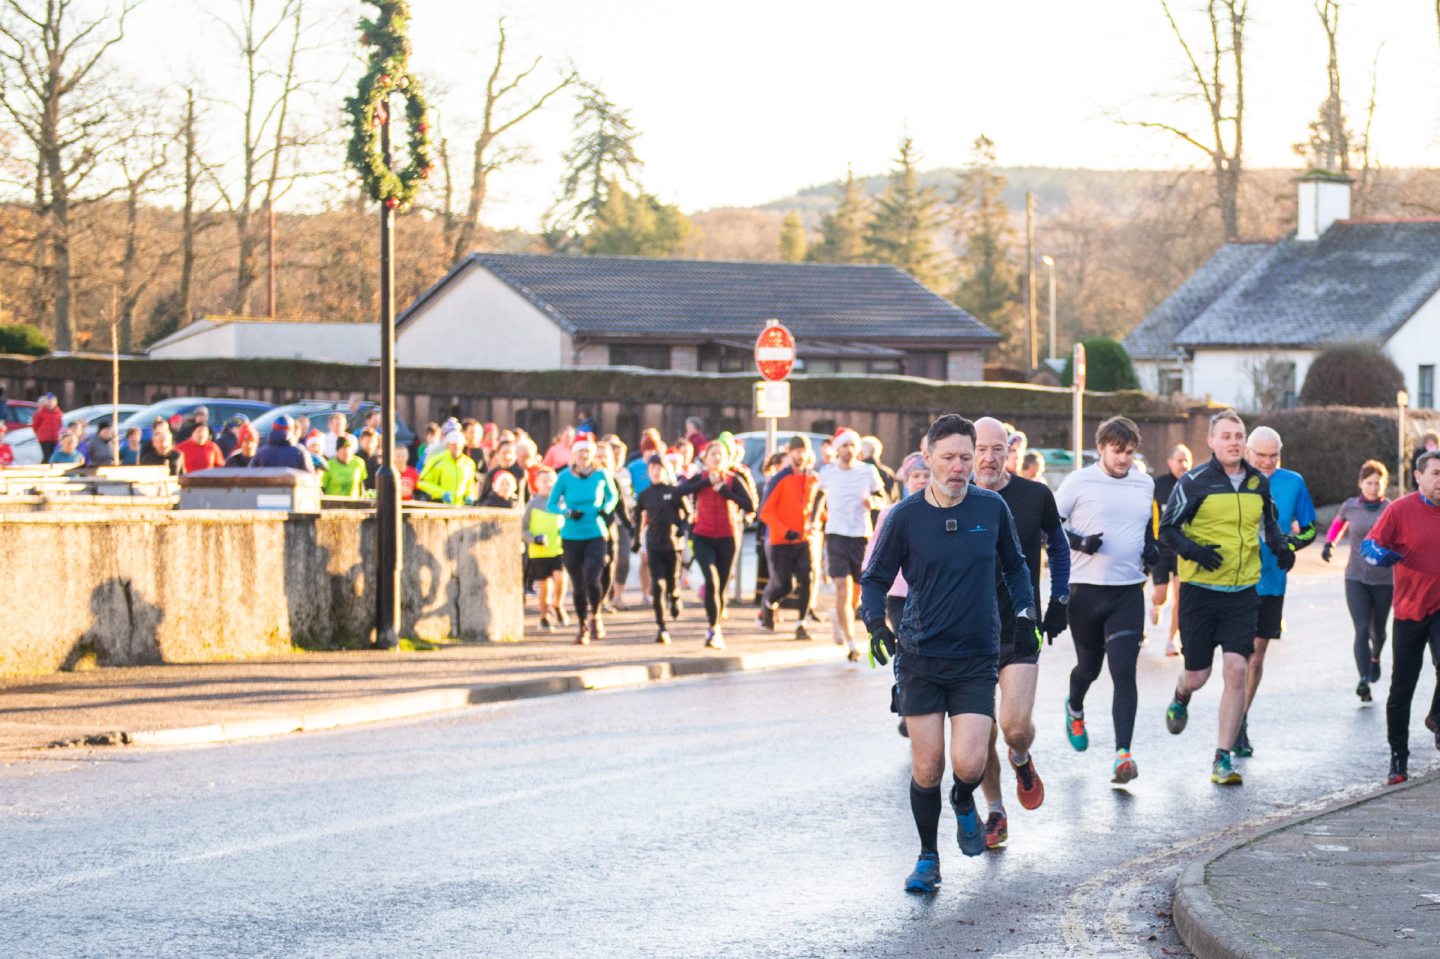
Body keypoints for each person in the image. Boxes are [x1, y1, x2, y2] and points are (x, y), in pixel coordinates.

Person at [860, 414, 1037, 895]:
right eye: (948, 458)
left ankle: (963, 800)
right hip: (920, 656)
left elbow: (1017, 567)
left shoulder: (991, 508)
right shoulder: (905, 516)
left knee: (970, 764)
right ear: (929, 457)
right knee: (927, 766)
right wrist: (875, 624)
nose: (958, 467)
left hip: (976, 657)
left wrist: (1026, 615)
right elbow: (874, 579)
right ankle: (927, 858)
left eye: (965, 457)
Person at [1159, 410, 1294, 786]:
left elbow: (1268, 524)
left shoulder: (1257, 483)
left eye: (1239, 436)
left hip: (1243, 592)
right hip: (1200, 593)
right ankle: (1181, 694)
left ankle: (1222, 757)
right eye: (1226, 436)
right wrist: (1195, 552)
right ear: (1212, 442)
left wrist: (1282, 548)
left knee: (1237, 669)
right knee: (1198, 675)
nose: (1233, 442)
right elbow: (1168, 529)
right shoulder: (1194, 482)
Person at [970, 417, 1070, 848]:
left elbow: (1059, 546)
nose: (989, 458)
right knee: (980, 737)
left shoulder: (1034, 495)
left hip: (1020, 627)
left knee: (1012, 728)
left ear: (1010, 451)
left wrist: (1060, 598)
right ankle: (995, 811)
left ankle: (1022, 757)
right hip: (967, 634)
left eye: (998, 449)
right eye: (980, 449)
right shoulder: (953, 498)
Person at [1054, 416, 1157, 786]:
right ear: (1100, 448)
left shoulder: (1144, 483)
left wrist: (1153, 549)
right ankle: (1074, 707)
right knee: (1089, 668)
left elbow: (1146, 528)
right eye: (1117, 451)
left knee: (1124, 671)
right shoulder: (1078, 481)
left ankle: (1123, 755)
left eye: (1129, 452)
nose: (1124, 459)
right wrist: (1080, 543)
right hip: (1085, 590)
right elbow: (1049, 526)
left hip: (1128, 590)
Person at [1235, 426, 1317, 757]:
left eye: (1274, 456)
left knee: (1256, 656)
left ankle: (1240, 720)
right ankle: (1231, 714)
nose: (1268, 462)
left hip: (1271, 581)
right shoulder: (1232, 479)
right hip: (1234, 580)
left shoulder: (1293, 482)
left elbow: (1310, 528)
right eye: (1262, 455)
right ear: (1248, 452)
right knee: (1235, 657)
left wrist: (1289, 544)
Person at [1362, 450, 1440, 786]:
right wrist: (1381, 555)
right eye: (1436, 473)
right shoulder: (1400, 510)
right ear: (1419, 477)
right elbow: (1369, 545)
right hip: (1410, 611)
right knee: (1402, 688)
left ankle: (1437, 717)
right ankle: (1398, 758)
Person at [862, 452, 930, 737]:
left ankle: (924, 702)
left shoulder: (940, 512)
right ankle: (906, 705)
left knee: (926, 650)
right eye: (916, 476)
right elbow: (874, 552)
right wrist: (868, 595)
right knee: (906, 647)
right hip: (899, 593)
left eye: (926, 476)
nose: (921, 481)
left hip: (930, 595)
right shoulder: (891, 513)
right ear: (906, 480)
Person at [1323, 460, 1393, 702]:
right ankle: (1363, 679)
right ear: (1360, 483)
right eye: (1369, 483)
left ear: (1384, 485)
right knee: (1362, 628)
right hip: (1356, 577)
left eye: (1378, 483)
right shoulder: (1350, 506)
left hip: (1384, 580)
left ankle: (1375, 657)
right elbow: (1337, 525)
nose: (1373, 488)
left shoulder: (1391, 509)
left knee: (1378, 631)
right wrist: (1329, 544)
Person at [814, 428, 887, 661]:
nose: (849, 450)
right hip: (836, 534)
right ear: (838, 449)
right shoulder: (828, 472)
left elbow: (883, 498)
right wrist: (813, 521)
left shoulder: (867, 471)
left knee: (857, 592)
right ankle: (852, 643)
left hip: (861, 535)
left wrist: (872, 502)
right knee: (842, 588)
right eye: (844, 445)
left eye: (852, 445)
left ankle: (838, 616)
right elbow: (818, 497)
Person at [676, 438, 755, 649]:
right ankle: (713, 628)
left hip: (728, 537)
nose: (717, 457)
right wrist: (705, 484)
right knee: (711, 580)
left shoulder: (733, 480)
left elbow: (750, 505)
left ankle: (717, 624)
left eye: (721, 454)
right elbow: (678, 492)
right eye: (713, 454)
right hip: (703, 536)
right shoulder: (699, 478)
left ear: (727, 459)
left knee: (721, 585)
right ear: (706, 459)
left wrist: (724, 492)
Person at [548, 433, 618, 644]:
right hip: (571, 535)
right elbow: (551, 504)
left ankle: (596, 615)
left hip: (596, 532)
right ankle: (582, 626)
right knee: (578, 585)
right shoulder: (564, 477)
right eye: (580, 451)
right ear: (574, 454)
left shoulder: (601, 474)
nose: (584, 455)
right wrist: (567, 512)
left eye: (587, 451)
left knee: (592, 577)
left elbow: (613, 496)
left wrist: (605, 508)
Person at [759, 436, 820, 640]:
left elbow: (815, 506)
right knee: (786, 584)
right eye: (797, 451)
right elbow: (765, 512)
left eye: (804, 451)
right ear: (790, 453)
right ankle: (769, 603)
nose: (800, 455)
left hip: (804, 540)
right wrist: (785, 531)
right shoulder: (780, 479)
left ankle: (801, 624)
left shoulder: (813, 478)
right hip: (781, 541)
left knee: (807, 578)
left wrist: (818, 520)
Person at [633, 455, 690, 643]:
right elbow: (638, 517)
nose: (656, 472)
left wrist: (682, 528)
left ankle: (675, 597)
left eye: (659, 468)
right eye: (652, 468)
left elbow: (688, 514)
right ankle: (661, 627)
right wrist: (636, 539)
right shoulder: (645, 495)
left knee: (672, 582)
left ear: (667, 471)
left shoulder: (675, 492)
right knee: (657, 586)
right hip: (654, 544)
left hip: (673, 545)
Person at [1150, 444, 1193, 655]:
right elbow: (1149, 517)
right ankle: (1156, 605)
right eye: (1179, 460)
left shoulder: (1193, 484)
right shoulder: (1158, 485)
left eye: (1187, 460)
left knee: (1180, 596)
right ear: (1170, 462)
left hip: (1183, 550)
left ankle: (1172, 639)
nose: (1183, 465)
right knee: (1161, 596)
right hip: (1161, 548)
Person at [523, 467, 570, 630]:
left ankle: (558, 605)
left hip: (558, 549)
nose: (548, 484)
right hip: (539, 552)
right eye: (544, 481)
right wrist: (534, 539)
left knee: (560, 578)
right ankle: (544, 617)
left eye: (551, 481)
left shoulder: (562, 503)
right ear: (536, 483)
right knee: (544, 587)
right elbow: (523, 530)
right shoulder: (531, 505)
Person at [416, 428, 477, 504]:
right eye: (453, 444)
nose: (456, 447)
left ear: (463, 445)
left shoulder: (468, 463)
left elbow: (470, 485)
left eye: (458, 444)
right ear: (448, 445)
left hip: (460, 508)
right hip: (439, 506)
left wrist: (470, 495)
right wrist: (441, 493)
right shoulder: (437, 461)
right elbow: (422, 483)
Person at [32, 393, 62, 463]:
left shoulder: (58, 412)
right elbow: (35, 425)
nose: (50, 403)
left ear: (56, 402)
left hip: (54, 438)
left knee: (52, 455)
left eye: (52, 401)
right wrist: (40, 433)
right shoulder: (40, 412)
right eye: (48, 401)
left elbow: (60, 424)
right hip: (44, 439)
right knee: (47, 455)